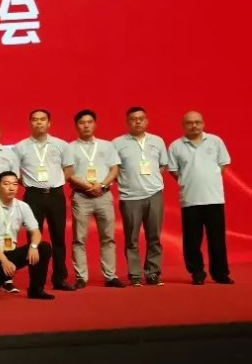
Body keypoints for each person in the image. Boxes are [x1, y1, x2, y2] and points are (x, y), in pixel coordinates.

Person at [168, 111, 234, 285]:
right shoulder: (176, 146)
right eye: (189, 123)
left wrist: (209, 178)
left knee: (217, 240)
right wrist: (187, 181)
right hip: (190, 199)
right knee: (192, 241)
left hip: (214, 199)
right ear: (183, 125)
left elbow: (223, 164)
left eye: (197, 122)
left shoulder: (215, 141)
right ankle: (197, 272)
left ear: (203, 123)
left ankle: (220, 273)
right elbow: (173, 171)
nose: (194, 126)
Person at [62, 109, 125, 289]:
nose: (86, 125)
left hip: (104, 195)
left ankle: (110, 276)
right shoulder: (69, 148)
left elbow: (114, 169)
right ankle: (81, 277)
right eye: (82, 123)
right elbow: (68, 173)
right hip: (81, 196)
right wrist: (87, 186)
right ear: (76, 126)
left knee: (108, 237)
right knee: (79, 239)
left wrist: (102, 185)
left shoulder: (107, 145)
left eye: (89, 122)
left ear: (95, 124)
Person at [15, 109, 73, 291]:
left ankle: (59, 279)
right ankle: (36, 280)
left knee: (59, 238)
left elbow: (69, 169)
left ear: (49, 123)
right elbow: (15, 174)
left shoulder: (61, 145)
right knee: (33, 238)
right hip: (33, 196)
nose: (39, 122)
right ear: (30, 123)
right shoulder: (20, 147)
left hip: (56, 195)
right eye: (35, 119)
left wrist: (55, 183)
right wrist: (31, 184)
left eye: (42, 119)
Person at [113, 107, 171, 287]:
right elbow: (113, 169)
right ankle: (135, 275)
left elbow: (162, 165)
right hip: (130, 197)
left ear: (146, 121)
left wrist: (151, 181)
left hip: (154, 194)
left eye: (141, 118)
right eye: (133, 119)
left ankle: (153, 273)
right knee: (132, 238)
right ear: (127, 122)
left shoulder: (157, 141)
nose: (137, 121)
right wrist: (128, 182)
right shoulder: (117, 143)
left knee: (154, 237)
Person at [0, 171, 55, 300]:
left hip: (10, 253)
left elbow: (36, 232)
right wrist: (4, 261)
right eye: (6, 184)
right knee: (3, 265)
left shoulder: (22, 206)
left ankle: (36, 290)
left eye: (15, 184)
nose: (11, 188)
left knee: (43, 247)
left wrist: (33, 246)